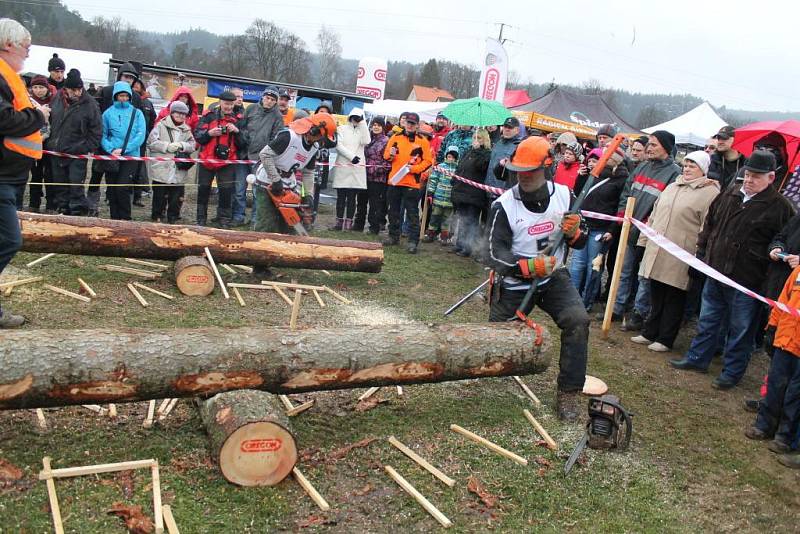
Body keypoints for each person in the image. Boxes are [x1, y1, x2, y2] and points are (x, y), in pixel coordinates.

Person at [670, 150, 795, 389]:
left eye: (756, 176)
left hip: (749, 280)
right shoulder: (731, 193)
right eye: (747, 174)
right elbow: (711, 223)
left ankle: (732, 372)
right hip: (716, 270)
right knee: (708, 319)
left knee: (741, 329)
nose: (749, 180)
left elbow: (782, 240)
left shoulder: (780, 207)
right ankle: (698, 358)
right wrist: (703, 251)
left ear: (771, 178)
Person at [486, 136, 589, 421]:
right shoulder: (504, 206)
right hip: (516, 284)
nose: (525, 177)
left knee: (578, 322)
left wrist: (575, 234)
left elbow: (581, 241)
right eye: (520, 171)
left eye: (531, 170)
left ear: (547, 166)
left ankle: (569, 393)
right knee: (495, 344)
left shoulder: (566, 196)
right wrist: (527, 267)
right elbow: (493, 255)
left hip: (554, 278)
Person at [631, 151, 720, 352]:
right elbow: (653, 216)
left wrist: (699, 255)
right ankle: (649, 331)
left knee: (674, 296)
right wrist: (643, 242)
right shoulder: (672, 186)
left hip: (682, 252)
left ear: (703, 170)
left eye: (693, 165)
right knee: (656, 293)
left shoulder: (710, 193)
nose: (687, 168)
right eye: (686, 164)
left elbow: (706, 226)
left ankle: (665, 337)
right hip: (657, 248)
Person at [606, 131, 681, 329]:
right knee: (624, 270)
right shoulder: (643, 167)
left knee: (644, 276)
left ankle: (639, 314)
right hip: (629, 228)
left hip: (650, 234)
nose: (649, 148)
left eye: (654, 145)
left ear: (665, 147)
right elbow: (627, 191)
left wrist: (648, 224)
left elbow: (665, 205)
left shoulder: (674, 173)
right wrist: (623, 214)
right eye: (649, 144)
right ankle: (617, 307)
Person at [0, 18, 46, 328]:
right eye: (25, 48)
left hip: (11, 176)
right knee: (8, 240)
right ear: (7, 44)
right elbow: (5, 120)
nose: (27, 54)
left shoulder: (10, 78)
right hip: (1, 176)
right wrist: (37, 115)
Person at [744, 263, 800, 469]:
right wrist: (772, 326)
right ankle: (764, 426)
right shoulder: (798, 270)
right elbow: (784, 300)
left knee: (795, 394)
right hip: (785, 340)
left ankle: (785, 437)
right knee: (775, 385)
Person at [253, 112, 336, 249]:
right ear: (313, 130)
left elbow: (308, 173)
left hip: (288, 182)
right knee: (266, 224)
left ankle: (284, 255)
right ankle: (260, 265)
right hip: (267, 181)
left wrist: (308, 194)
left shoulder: (314, 148)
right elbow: (265, 154)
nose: (321, 141)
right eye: (320, 137)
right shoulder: (289, 136)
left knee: (289, 223)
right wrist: (276, 179)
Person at [568, 147, 627, 311]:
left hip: (602, 229)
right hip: (585, 225)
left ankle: (586, 302)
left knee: (593, 266)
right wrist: (581, 177)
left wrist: (612, 229)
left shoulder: (622, 179)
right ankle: (571, 298)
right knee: (577, 264)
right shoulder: (594, 173)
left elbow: (620, 206)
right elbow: (580, 194)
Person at [48, 68, 102, 216]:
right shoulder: (57, 99)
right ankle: (62, 211)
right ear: (66, 89)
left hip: (78, 152)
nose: (77, 93)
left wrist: (86, 147)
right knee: (60, 185)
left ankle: (78, 213)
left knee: (76, 186)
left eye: (79, 89)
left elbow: (97, 130)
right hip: (57, 150)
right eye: (74, 90)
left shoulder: (90, 104)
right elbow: (50, 121)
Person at [382, 111, 433, 254]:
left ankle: (413, 241)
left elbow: (428, 161)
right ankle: (393, 236)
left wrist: (415, 169)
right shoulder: (395, 137)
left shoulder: (422, 141)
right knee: (393, 211)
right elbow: (386, 155)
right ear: (404, 123)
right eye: (408, 123)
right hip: (395, 181)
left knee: (412, 213)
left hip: (412, 183)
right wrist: (390, 155)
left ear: (417, 125)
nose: (410, 125)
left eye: (413, 123)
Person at [193, 90, 245, 227]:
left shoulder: (239, 120)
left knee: (226, 191)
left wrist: (237, 132)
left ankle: (224, 220)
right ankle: (201, 219)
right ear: (220, 102)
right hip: (207, 160)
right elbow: (198, 135)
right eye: (226, 104)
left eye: (231, 104)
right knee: (204, 189)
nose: (228, 107)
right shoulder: (208, 117)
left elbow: (244, 143)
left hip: (227, 162)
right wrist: (209, 133)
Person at [100, 81, 146, 220]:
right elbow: (103, 134)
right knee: (112, 189)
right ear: (115, 96)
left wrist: (125, 149)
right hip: (113, 155)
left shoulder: (137, 113)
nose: (124, 98)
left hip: (130, 156)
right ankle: (114, 219)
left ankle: (126, 218)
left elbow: (141, 134)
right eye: (121, 96)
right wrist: (111, 149)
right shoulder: (107, 113)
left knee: (122, 188)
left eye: (126, 96)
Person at [146, 100, 195, 223]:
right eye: (178, 113)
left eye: (184, 114)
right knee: (159, 195)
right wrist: (166, 146)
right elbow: (151, 143)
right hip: (162, 167)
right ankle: (157, 215)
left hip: (179, 169)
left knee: (176, 196)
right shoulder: (160, 126)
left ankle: (173, 216)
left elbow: (192, 145)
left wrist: (182, 145)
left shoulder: (187, 129)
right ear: (172, 113)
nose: (181, 116)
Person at [450, 128, 492, 257]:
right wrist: (454, 180)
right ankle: (460, 244)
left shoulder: (486, 154)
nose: (475, 140)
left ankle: (467, 247)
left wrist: (478, 150)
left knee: (471, 221)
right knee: (462, 219)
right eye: (474, 137)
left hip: (474, 193)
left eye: (479, 138)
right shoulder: (468, 151)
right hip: (462, 190)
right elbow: (460, 167)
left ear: (485, 140)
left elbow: (481, 167)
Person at [330, 108, 370, 231]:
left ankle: (348, 224)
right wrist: (351, 157)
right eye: (354, 117)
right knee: (341, 196)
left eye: (358, 117)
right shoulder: (341, 128)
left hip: (356, 168)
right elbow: (338, 145)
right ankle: (338, 222)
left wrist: (362, 124)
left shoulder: (362, 130)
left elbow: (366, 141)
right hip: (343, 164)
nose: (355, 120)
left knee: (352, 197)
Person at [26, 74, 55, 212]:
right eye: (35, 87)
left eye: (41, 87)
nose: (38, 90)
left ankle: (51, 205)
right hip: (34, 143)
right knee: (35, 175)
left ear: (47, 88)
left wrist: (47, 135)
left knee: (50, 175)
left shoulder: (54, 101)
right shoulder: (29, 102)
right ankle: (34, 203)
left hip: (50, 144)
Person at [424, 145, 459, 244]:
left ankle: (444, 236)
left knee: (446, 219)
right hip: (438, 197)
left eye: (453, 157)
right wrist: (430, 193)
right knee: (435, 216)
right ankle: (431, 233)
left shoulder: (458, 169)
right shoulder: (440, 167)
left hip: (449, 200)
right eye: (449, 157)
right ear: (446, 156)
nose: (451, 159)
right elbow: (433, 180)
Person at [131, 79, 156, 208]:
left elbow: (153, 119)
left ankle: (137, 196)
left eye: (138, 86)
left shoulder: (147, 103)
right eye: (133, 86)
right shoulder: (127, 100)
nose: (136, 88)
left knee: (139, 168)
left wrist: (147, 133)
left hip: (141, 140)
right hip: (127, 140)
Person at [364, 116, 390, 235]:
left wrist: (376, 170)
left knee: (375, 204)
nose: (376, 127)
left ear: (383, 127)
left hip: (378, 178)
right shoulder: (368, 138)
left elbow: (387, 161)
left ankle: (374, 227)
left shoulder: (386, 141)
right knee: (362, 201)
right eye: (374, 124)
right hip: (365, 176)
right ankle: (359, 224)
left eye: (378, 125)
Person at [484, 116, 522, 194]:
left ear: (517, 130)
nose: (507, 129)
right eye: (505, 126)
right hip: (489, 189)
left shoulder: (520, 146)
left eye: (510, 127)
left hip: (504, 191)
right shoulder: (498, 143)